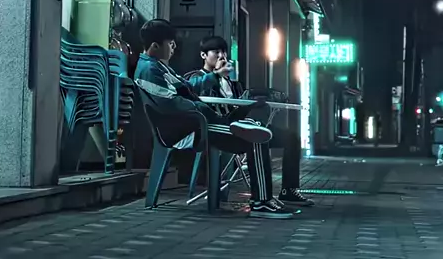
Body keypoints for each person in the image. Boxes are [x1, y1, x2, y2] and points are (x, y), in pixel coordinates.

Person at [134, 19, 294, 219]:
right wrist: (203, 108)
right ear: (155, 46)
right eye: (171, 43)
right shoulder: (149, 70)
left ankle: (263, 193)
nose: (174, 48)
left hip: (200, 123)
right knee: (255, 138)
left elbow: (187, 88)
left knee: (257, 117)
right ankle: (261, 202)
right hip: (190, 128)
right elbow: (171, 104)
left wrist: (215, 77)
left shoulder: (159, 67)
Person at [185, 35, 314, 207]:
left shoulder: (232, 83)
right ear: (204, 55)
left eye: (224, 52)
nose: (222, 56)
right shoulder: (198, 77)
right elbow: (190, 88)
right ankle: (261, 197)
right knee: (257, 138)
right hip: (219, 127)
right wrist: (216, 75)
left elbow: (240, 105)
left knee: (290, 137)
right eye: (216, 52)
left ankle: (289, 190)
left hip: (239, 124)